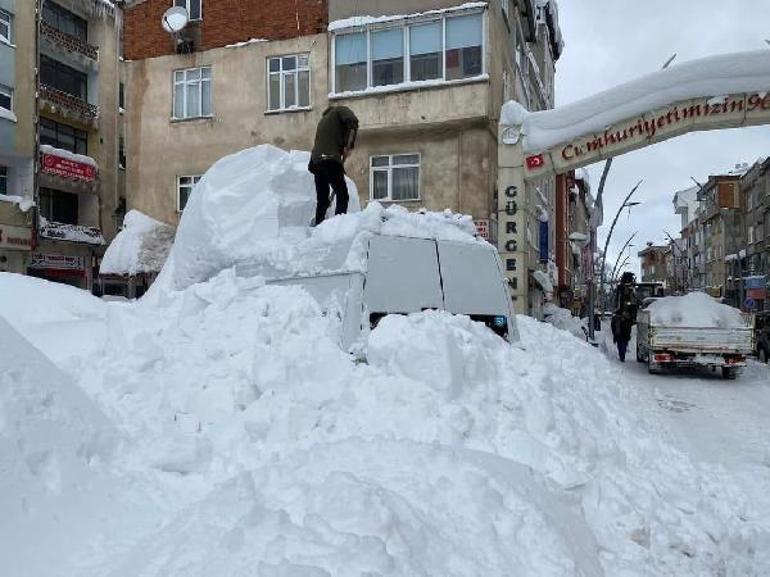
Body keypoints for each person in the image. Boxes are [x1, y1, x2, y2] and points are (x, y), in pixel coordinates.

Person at [308, 105, 359, 226]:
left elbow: (326, 141)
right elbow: (352, 122)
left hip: (316, 162)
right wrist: (349, 145)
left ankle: (319, 226)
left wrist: (343, 147)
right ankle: (338, 227)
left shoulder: (323, 121)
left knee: (323, 199)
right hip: (330, 159)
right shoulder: (339, 110)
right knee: (342, 194)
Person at [611, 272, 638, 362]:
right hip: (626, 318)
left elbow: (616, 303)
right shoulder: (630, 289)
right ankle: (622, 352)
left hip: (621, 317)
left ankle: (621, 352)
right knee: (624, 336)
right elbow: (633, 303)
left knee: (620, 336)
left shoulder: (621, 288)